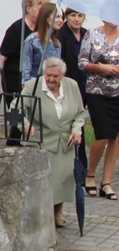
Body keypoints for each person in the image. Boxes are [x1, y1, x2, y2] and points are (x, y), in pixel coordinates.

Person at [19, 58, 84, 228]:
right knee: (45, 182)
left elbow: (79, 113)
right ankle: (43, 215)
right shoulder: (33, 86)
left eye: (56, 76)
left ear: (63, 75)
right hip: (41, 141)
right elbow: (14, 108)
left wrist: (77, 130)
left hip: (65, 142)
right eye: (48, 75)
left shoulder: (72, 85)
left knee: (63, 179)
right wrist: (25, 124)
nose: (51, 79)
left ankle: (58, 212)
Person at [78, 22, 119, 200]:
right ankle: (90, 175)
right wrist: (99, 68)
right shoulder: (92, 34)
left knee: (115, 136)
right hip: (97, 92)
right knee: (102, 136)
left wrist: (117, 70)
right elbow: (81, 62)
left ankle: (106, 183)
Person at [1, 0, 50, 103]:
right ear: (28, 9)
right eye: (40, 10)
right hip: (16, 81)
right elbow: (3, 57)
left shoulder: (43, 29)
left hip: (38, 81)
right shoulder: (17, 29)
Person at [58, 8, 88, 168]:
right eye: (73, 15)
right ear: (67, 17)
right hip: (69, 86)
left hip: (87, 86)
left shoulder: (87, 34)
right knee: (74, 125)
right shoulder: (60, 35)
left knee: (81, 125)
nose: (76, 19)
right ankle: (79, 166)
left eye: (80, 15)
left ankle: (81, 165)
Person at [21, 2, 63, 84]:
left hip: (52, 85)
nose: (61, 21)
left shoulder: (57, 43)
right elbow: (25, 71)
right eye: (57, 17)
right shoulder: (32, 41)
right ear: (46, 18)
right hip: (35, 86)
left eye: (62, 17)